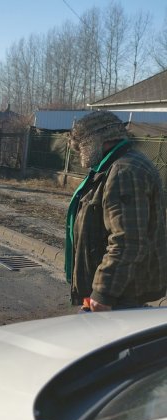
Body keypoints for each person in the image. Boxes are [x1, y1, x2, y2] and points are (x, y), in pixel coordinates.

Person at [66, 110, 167, 312]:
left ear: (97, 140)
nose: (80, 154)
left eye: (81, 147)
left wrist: (104, 292)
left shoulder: (124, 171)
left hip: (120, 295)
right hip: (119, 289)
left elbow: (128, 239)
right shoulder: (116, 166)